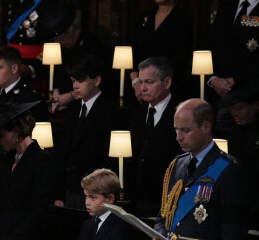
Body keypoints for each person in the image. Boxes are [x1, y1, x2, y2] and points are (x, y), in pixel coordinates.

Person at [154, 99, 248, 240]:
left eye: (185, 130)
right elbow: (163, 216)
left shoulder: (229, 170)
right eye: (176, 129)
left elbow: (233, 230)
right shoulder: (176, 165)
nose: (178, 137)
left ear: (205, 127)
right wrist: (159, 234)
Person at [54, 54, 121, 209]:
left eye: (81, 80)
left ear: (96, 81)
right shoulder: (73, 110)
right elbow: (62, 154)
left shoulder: (110, 113)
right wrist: (58, 194)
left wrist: (99, 195)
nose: (75, 86)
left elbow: (109, 159)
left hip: (94, 194)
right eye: (73, 81)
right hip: (69, 190)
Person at [0, 45, 47, 172]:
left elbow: (30, 143)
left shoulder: (30, 99)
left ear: (14, 68)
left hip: (12, 171)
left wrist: (1, 172)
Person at [0, 101, 54, 240]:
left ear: (16, 131)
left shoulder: (42, 161)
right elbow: (1, 203)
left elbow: (38, 211)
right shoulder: (5, 160)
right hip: (1, 233)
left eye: (1, 136)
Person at [130, 0, 192, 103]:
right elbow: (133, 51)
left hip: (168, 88)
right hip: (139, 88)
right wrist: (136, 82)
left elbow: (179, 59)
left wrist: (156, 84)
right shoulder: (145, 18)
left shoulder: (182, 20)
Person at [131, 57, 181, 217]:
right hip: (135, 202)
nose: (143, 88)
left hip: (166, 204)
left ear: (166, 83)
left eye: (149, 82)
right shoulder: (136, 113)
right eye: (141, 82)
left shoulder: (181, 115)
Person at [209, 0, 259, 101]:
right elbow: (212, 45)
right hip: (218, 89)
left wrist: (235, 79)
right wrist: (213, 78)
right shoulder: (226, 9)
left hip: (251, 92)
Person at [5, 0, 59, 82]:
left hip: (35, 71)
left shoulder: (48, 1)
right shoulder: (13, 0)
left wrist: (31, 68)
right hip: (13, 67)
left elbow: (53, 42)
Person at [218, 80, 259, 238]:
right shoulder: (231, 134)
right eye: (232, 109)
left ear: (255, 105)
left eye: (240, 108)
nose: (235, 113)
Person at [51, 8, 104, 112]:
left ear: (64, 35)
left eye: (58, 39)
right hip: (63, 104)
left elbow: (90, 81)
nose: (58, 43)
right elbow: (55, 73)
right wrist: (56, 94)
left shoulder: (90, 43)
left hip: (87, 103)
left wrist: (69, 97)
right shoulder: (60, 48)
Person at [78, 168, 130, 240]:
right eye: (86, 197)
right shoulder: (88, 224)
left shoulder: (119, 227)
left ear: (110, 198)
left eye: (93, 197)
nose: (87, 203)